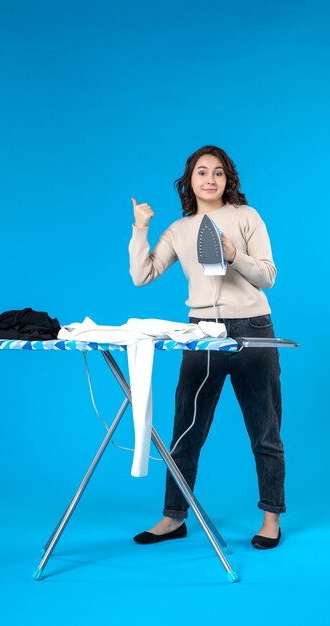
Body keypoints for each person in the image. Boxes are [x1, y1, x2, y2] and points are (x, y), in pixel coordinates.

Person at [128, 145, 285, 550]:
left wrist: (233, 254)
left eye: (218, 172)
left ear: (228, 178)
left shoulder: (247, 217)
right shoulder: (179, 230)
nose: (210, 179)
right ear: (190, 180)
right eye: (202, 172)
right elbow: (142, 275)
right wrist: (140, 229)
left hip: (252, 328)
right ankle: (173, 517)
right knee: (186, 429)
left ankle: (271, 518)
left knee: (264, 430)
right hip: (202, 333)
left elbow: (267, 276)